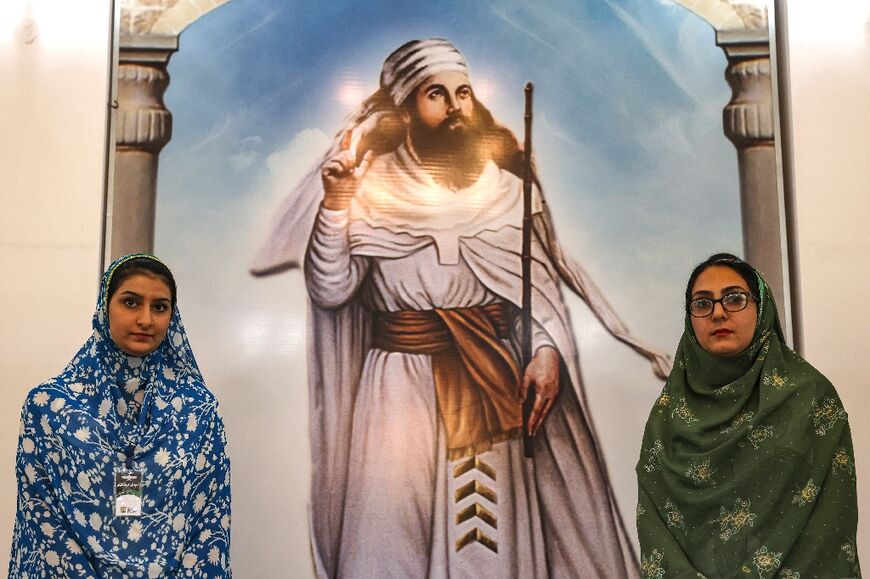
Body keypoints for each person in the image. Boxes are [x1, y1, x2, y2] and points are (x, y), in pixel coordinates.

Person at [252, 38, 670, 578]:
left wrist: (544, 350)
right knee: (389, 530)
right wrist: (336, 207)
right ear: (405, 109)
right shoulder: (366, 186)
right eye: (436, 94)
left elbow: (532, 295)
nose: (455, 107)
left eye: (463, 93)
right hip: (397, 387)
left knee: (484, 539)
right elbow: (332, 291)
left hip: (488, 379)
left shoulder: (506, 193)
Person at [636, 253, 861, 578]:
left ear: (761, 306)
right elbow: (654, 525)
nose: (718, 313)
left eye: (734, 298)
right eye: (702, 303)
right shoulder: (668, 414)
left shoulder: (810, 398)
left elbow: (829, 522)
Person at [9, 254, 231, 578]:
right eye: (131, 302)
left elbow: (210, 521)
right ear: (104, 307)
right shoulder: (49, 409)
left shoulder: (198, 411)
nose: (146, 319)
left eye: (159, 307)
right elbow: (43, 520)